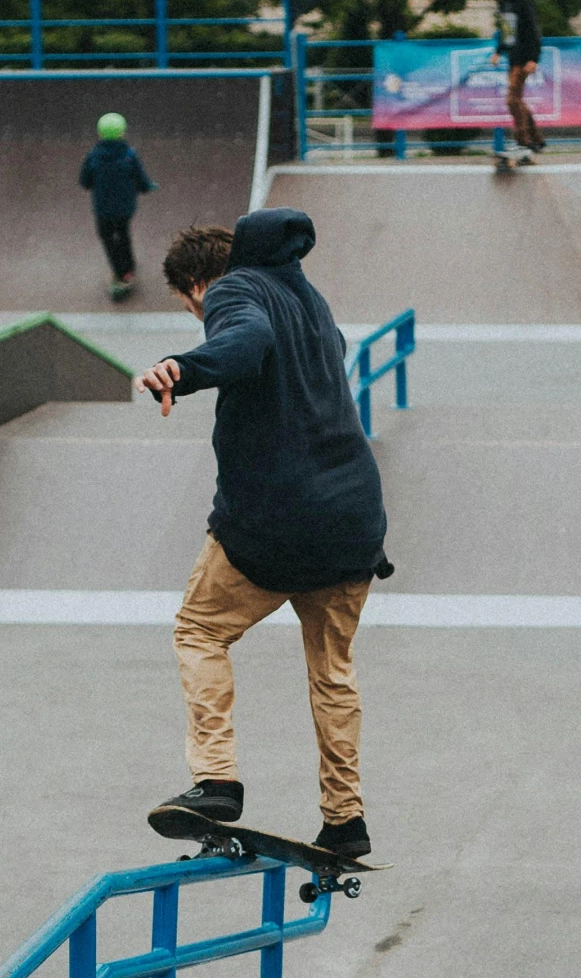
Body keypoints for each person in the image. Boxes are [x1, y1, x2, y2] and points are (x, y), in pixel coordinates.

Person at [134, 211, 392, 861]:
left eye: (191, 307)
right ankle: (344, 819)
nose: (201, 314)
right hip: (353, 520)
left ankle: (216, 779)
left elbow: (242, 341)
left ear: (195, 285)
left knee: (199, 629)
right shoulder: (311, 301)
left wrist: (182, 367)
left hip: (274, 522)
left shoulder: (232, 290)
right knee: (331, 671)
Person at [78, 111, 156, 300]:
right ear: (122, 132)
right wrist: (146, 187)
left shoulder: (94, 156)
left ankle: (119, 270)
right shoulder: (129, 155)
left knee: (107, 237)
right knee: (122, 234)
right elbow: (140, 178)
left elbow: (85, 181)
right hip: (125, 207)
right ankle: (129, 266)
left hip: (103, 208)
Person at [494, 0, 545, 160]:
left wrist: (534, 58)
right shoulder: (505, 1)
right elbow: (507, 30)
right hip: (513, 56)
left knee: (512, 100)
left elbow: (533, 30)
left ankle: (522, 142)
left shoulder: (524, 0)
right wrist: (499, 50)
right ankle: (536, 140)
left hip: (524, 57)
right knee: (517, 100)